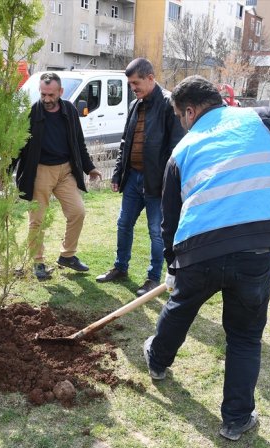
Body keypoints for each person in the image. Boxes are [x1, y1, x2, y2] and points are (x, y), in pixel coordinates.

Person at [142, 76, 270, 441]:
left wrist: (172, 266)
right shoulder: (261, 119)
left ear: (190, 110)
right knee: (244, 337)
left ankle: (157, 360)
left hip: (199, 251)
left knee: (180, 307)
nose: (183, 124)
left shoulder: (181, 152)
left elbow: (169, 220)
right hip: (254, 249)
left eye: (182, 117)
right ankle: (236, 419)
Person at [96, 58, 185, 296]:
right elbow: (126, 141)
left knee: (157, 232)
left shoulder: (168, 104)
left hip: (157, 182)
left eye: (136, 82)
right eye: (130, 84)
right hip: (133, 178)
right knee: (124, 224)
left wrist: (168, 182)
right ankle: (120, 268)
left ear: (150, 78)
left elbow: (175, 148)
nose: (133, 88)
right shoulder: (136, 104)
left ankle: (153, 278)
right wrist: (117, 172)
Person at [15, 72, 102, 280]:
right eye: (43, 94)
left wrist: (89, 168)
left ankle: (67, 255)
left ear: (60, 92)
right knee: (37, 220)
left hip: (65, 171)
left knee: (77, 212)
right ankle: (38, 262)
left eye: (51, 95)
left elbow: (78, 142)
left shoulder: (69, 110)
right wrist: (3, 172)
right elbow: (17, 146)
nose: (46, 99)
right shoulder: (31, 113)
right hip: (41, 172)